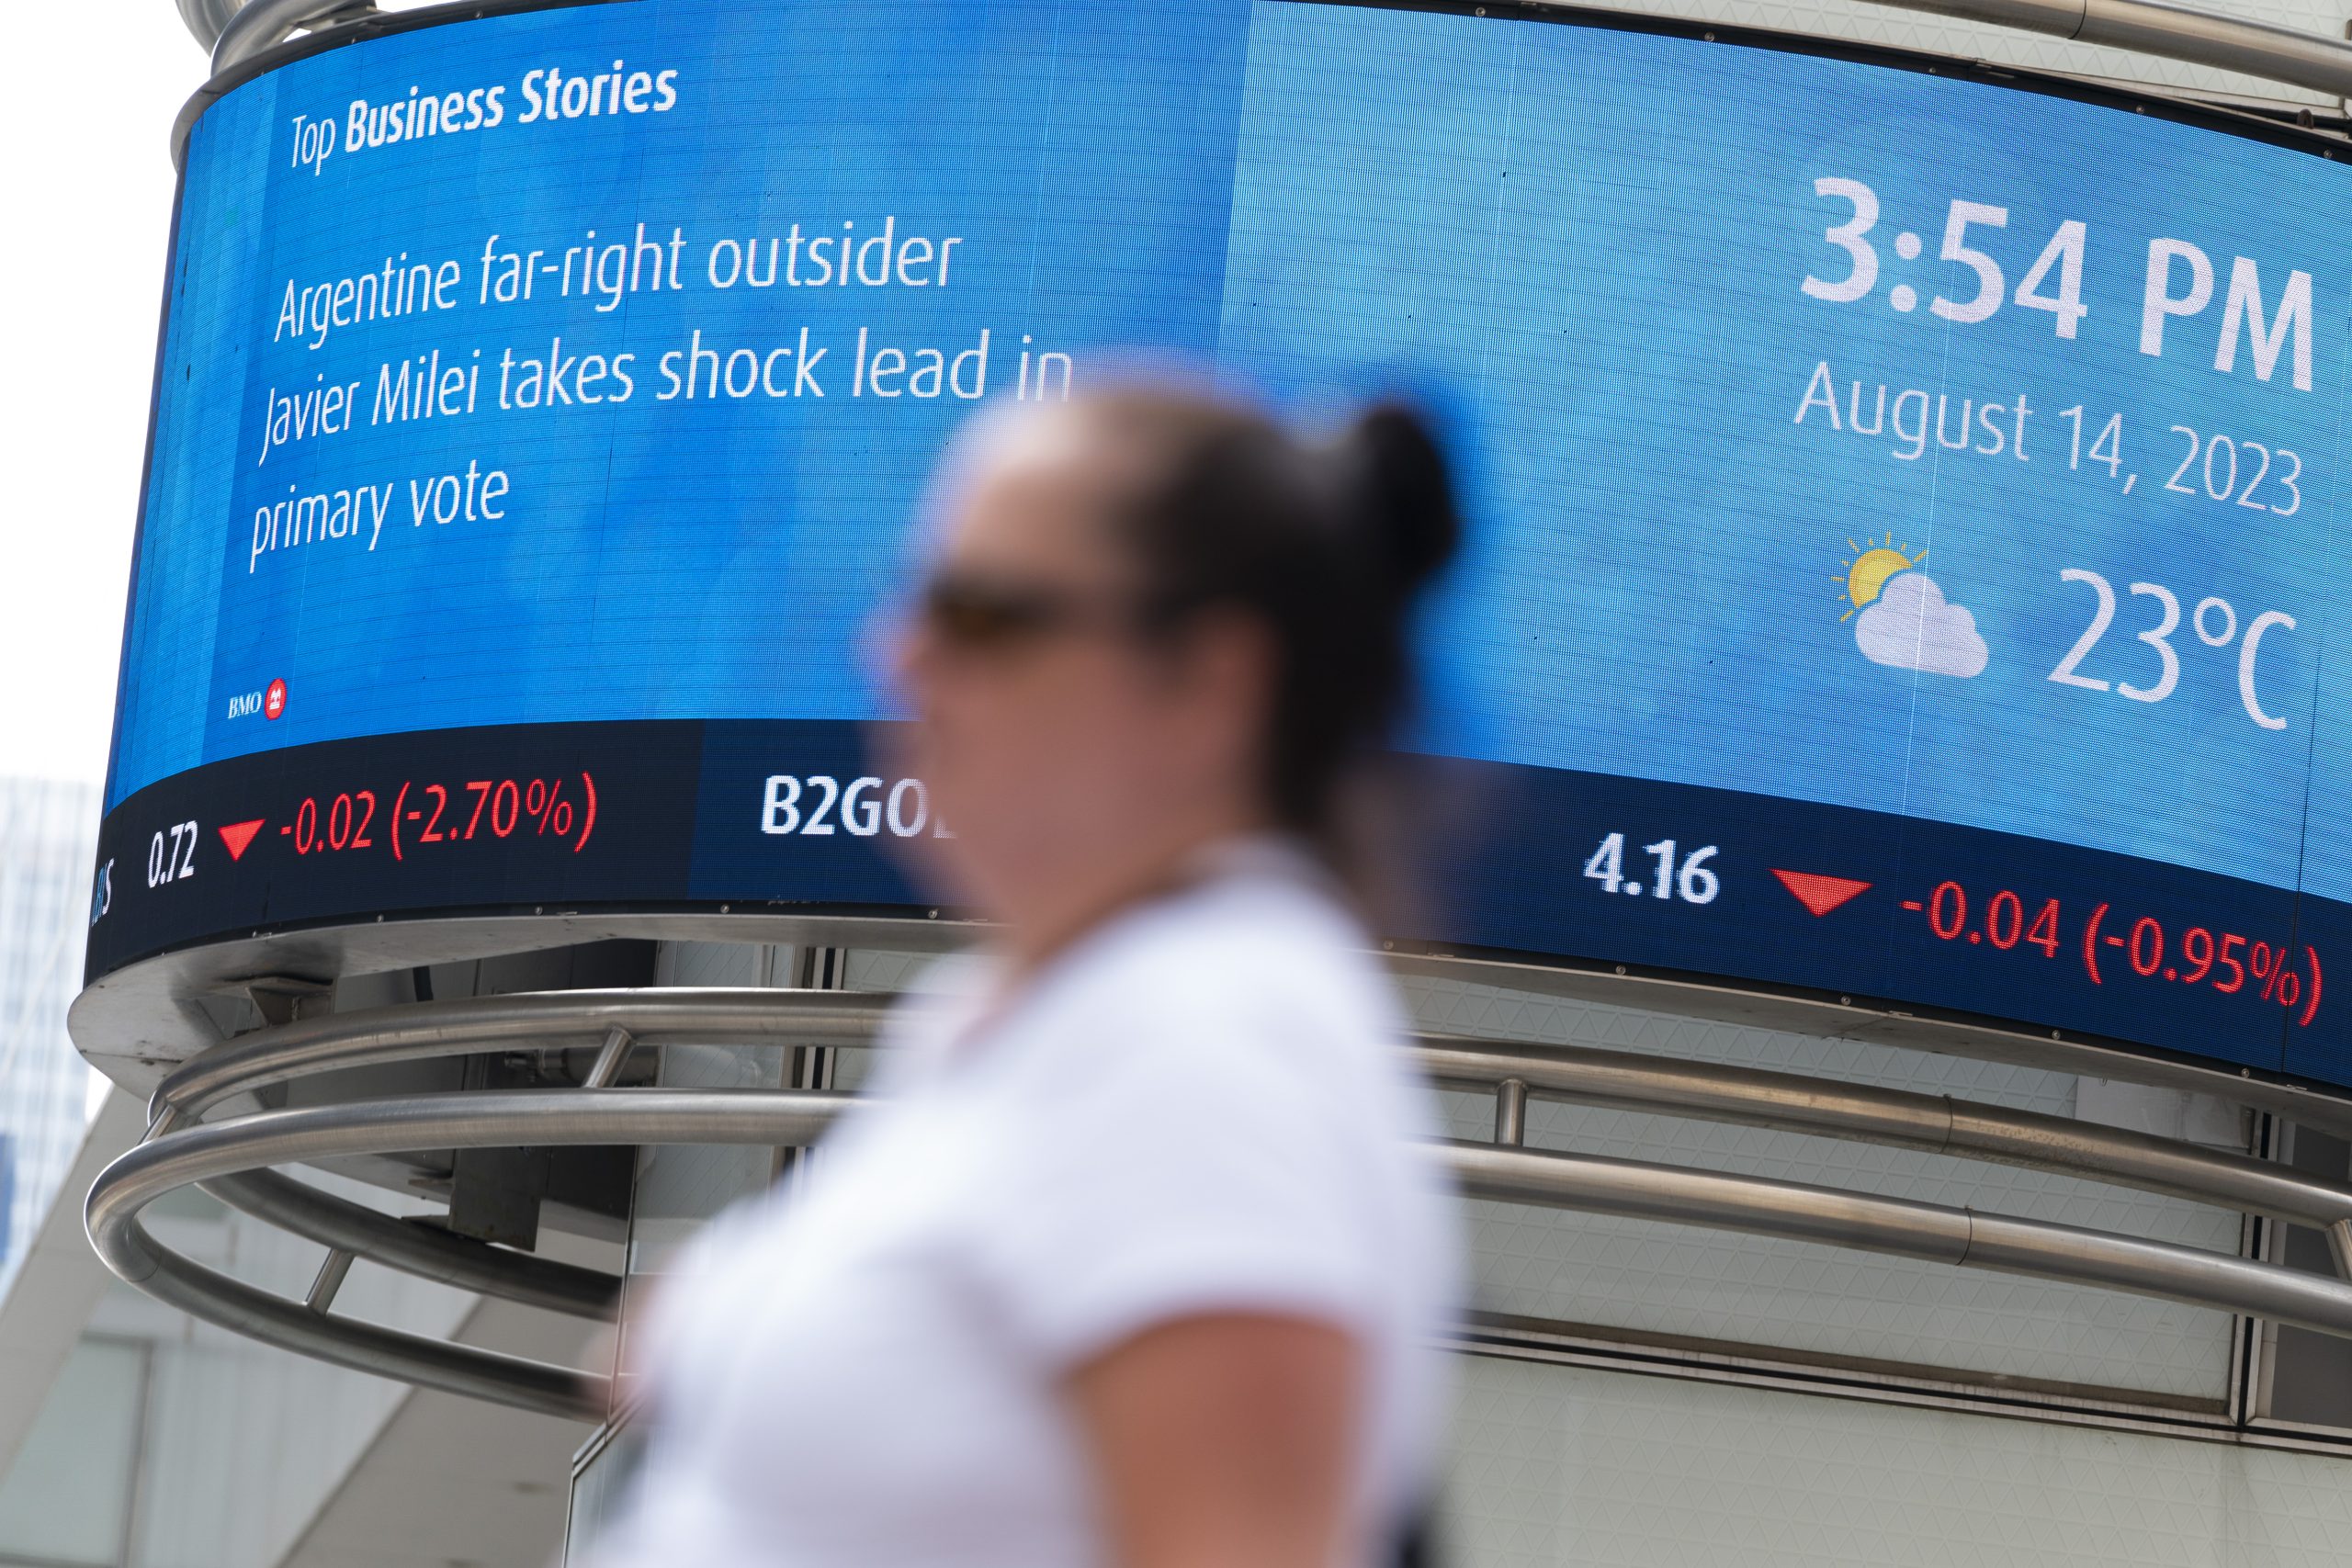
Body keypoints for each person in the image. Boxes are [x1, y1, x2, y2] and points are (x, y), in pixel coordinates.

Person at [590, 383, 1464, 1568]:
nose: (898, 653)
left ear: (1211, 685)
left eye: (986, 615)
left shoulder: (1213, 1047)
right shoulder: (1011, 1021)